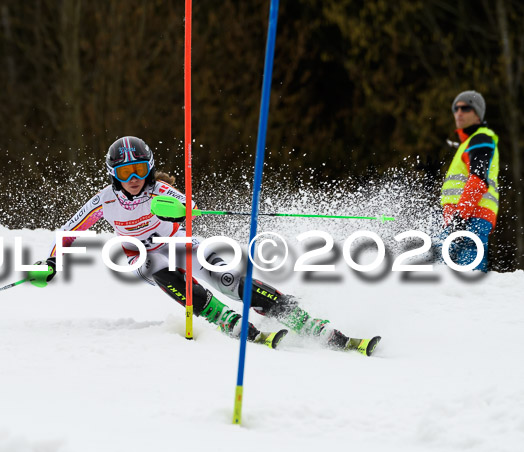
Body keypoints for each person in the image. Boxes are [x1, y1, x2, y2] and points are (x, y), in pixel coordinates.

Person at [38, 136, 379, 355]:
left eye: (140, 169)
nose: (134, 180)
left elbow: (185, 205)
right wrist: (52, 263)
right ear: (114, 174)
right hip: (144, 258)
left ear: (150, 168)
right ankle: (223, 318)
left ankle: (306, 321)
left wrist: (184, 209)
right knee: (156, 267)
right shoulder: (103, 201)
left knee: (230, 280)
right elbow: (68, 232)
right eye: (125, 173)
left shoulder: (159, 191)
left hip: (182, 244)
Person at [440, 91, 500, 272]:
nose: (458, 112)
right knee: (447, 283)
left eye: (465, 108)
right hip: (461, 218)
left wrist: (459, 218)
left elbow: (478, 179)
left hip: (471, 219)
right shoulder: (470, 142)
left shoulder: (481, 139)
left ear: (477, 114)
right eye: (455, 108)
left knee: (466, 282)